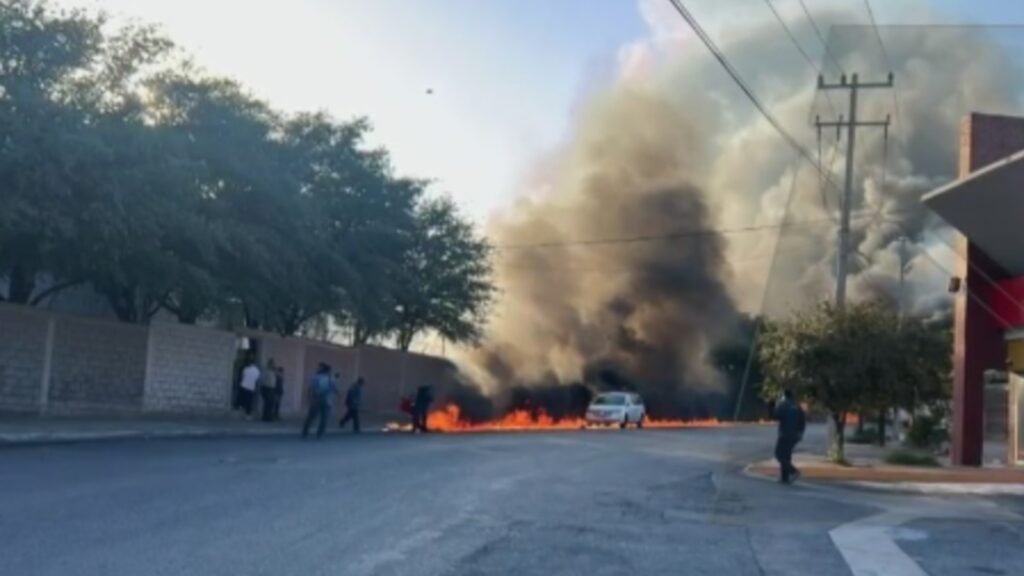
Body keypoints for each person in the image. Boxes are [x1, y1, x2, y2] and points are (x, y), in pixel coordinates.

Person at [774, 389, 807, 484]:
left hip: (785, 433)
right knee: (786, 455)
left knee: (779, 454)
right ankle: (785, 478)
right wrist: (800, 433)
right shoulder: (797, 406)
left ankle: (793, 471)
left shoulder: (783, 405)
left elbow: (776, 415)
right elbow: (803, 421)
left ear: (784, 396)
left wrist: (777, 405)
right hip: (795, 435)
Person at [302, 363, 337, 439]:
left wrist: (309, 398)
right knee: (324, 418)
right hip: (327, 400)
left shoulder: (316, 377)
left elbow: (311, 388)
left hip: (317, 399)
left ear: (322, 369)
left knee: (311, 417)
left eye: (319, 368)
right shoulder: (331, 378)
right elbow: (335, 390)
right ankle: (319, 434)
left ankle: (305, 433)